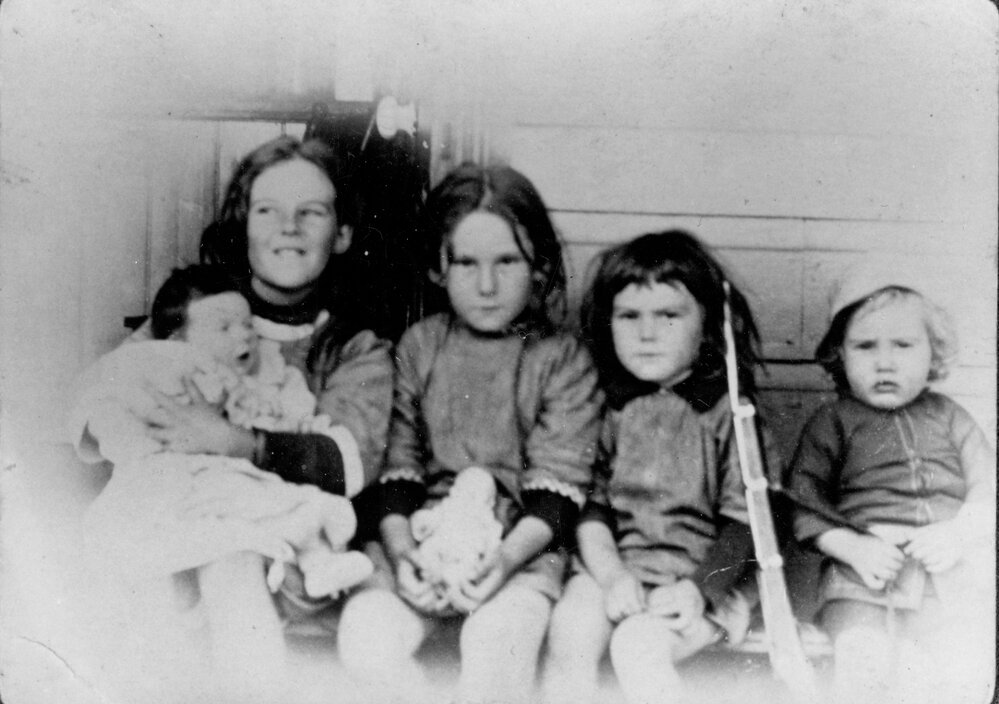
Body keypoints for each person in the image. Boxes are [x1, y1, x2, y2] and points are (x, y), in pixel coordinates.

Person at [70, 136, 393, 701]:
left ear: (341, 235)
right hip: (171, 519)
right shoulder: (198, 317)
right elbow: (115, 387)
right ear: (242, 228)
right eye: (268, 211)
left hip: (279, 550)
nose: (288, 227)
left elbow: (348, 462)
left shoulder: (353, 347)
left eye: (311, 212)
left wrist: (230, 440)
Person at [336, 163, 602, 704]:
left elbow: (558, 490)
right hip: (419, 544)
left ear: (540, 266)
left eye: (507, 262)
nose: (486, 285)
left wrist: (501, 562)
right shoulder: (420, 346)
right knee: (366, 636)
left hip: (519, 555)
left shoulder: (560, 358)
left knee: (496, 643)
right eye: (466, 263)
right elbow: (397, 467)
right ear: (438, 266)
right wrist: (404, 550)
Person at [544, 231, 778, 704]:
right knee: (570, 628)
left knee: (637, 647)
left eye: (669, 316)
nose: (647, 334)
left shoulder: (729, 413)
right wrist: (612, 578)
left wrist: (698, 590)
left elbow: (748, 523)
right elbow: (593, 513)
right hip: (620, 569)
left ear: (708, 325)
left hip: (705, 579)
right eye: (629, 316)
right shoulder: (609, 409)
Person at [73, 264, 374, 598]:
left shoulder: (268, 376)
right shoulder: (156, 363)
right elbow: (101, 400)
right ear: (175, 341)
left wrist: (289, 424)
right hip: (169, 476)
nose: (244, 335)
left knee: (273, 503)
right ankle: (314, 553)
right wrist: (125, 438)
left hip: (231, 473)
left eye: (248, 325)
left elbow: (287, 417)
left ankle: (319, 562)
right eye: (224, 327)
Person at [787, 262, 995, 704]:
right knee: (864, 665)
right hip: (862, 579)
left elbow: (988, 486)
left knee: (962, 668)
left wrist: (959, 534)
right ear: (839, 354)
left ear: (933, 353)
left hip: (947, 580)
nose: (885, 362)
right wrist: (850, 545)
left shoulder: (951, 418)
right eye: (865, 346)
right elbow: (802, 500)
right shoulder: (833, 422)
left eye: (903, 345)